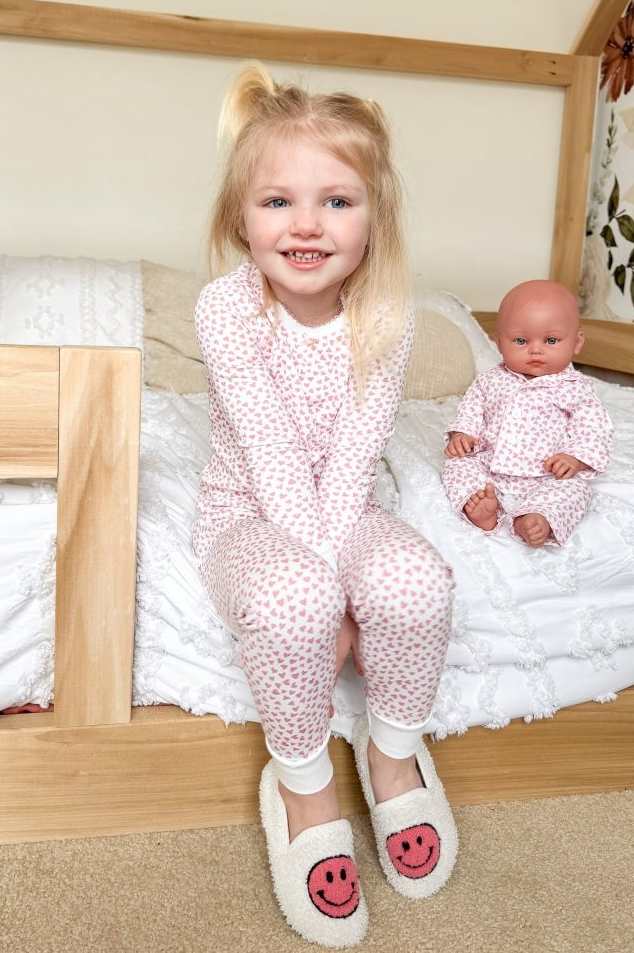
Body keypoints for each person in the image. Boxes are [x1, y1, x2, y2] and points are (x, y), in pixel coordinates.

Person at [193, 63, 457, 947]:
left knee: (415, 581)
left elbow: (355, 455)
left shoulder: (389, 312)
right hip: (248, 509)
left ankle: (391, 751)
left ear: (374, 219)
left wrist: (355, 585)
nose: (306, 224)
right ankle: (304, 782)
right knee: (290, 600)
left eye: (337, 202)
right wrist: (323, 591)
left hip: (346, 499)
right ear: (240, 218)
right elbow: (268, 453)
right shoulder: (226, 310)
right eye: (277, 202)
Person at [443, 279, 613, 548]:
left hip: (547, 475)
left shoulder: (575, 388)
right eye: (521, 340)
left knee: (576, 490)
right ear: (499, 343)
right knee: (457, 465)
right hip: (490, 466)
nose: (536, 349)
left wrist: (576, 458)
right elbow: (472, 409)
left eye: (551, 340)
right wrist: (463, 433)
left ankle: (536, 518)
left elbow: (593, 428)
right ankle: (481, 507)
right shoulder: (490, 380)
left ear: (576, 342)